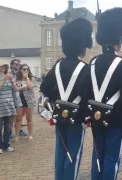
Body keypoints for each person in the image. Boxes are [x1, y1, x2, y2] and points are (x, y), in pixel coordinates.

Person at [40, 17, 92, 180]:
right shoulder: (85, 68)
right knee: (73, 155)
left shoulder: (58, 65)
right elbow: (87, 95)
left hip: (59, 115)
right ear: (82, 47)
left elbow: (45, 88)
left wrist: (59, 100)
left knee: (61, 152)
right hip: (77, 118)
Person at [85, 7, 122, 180]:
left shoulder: (93, 61)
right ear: (119, 40)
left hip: (96, 116)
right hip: (115, 118)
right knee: (112, 158)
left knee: (97, 155)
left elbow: (88, 91)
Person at [14, 64, 36, 142]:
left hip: (29, 101)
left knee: (29, 118)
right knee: (18, 118)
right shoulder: (16, 79)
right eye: (24, 69)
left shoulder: (31, 78)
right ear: (20, 70)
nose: (26, 70)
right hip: (19, 100)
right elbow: (15, 89)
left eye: (27, 69)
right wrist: (23, 87)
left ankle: (30, 135)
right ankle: (16, 135)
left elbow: (30, 87)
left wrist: (27, 77)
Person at [9, 59, 27, 138]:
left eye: (19, 64)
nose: (17, 65)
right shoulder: (9, 74)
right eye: (16, 64)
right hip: (11, 96)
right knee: (12, 116)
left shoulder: (20, 74)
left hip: (19, 97)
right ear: (12, 65)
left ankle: (18, 129)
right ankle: (9, 132)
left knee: (19, 116)